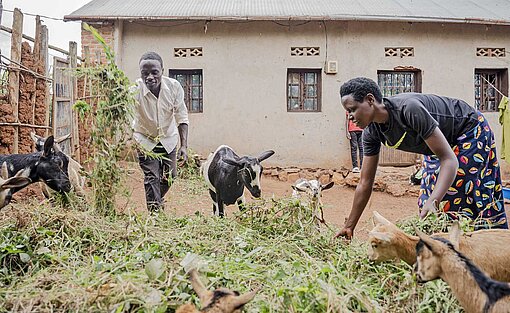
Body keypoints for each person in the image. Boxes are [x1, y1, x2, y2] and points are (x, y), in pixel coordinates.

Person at [335, 77, 508, 239]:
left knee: (461, 192)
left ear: (370, 100)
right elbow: (365, 182)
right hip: (437, 147)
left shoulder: (409, 109)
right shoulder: (371, 132)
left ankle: (485, 243)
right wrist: (350, 226)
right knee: (427, 202)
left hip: (469, 130)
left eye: (352, 109)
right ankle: (440, 248)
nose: (350, 116)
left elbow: (449, 160)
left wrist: (434, 200)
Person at [132, 51, 189, 212]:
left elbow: (181, 116)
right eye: (145, 73)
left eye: (154, 72)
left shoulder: (174, 87)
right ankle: (155, 215)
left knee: (171, 177)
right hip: (145, 140)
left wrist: (184, 146)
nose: (149, 77)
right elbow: (126, 112)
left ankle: (157, 199)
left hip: (168, 139)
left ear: (162, 71)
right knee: (152, 177)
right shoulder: (134, 90)